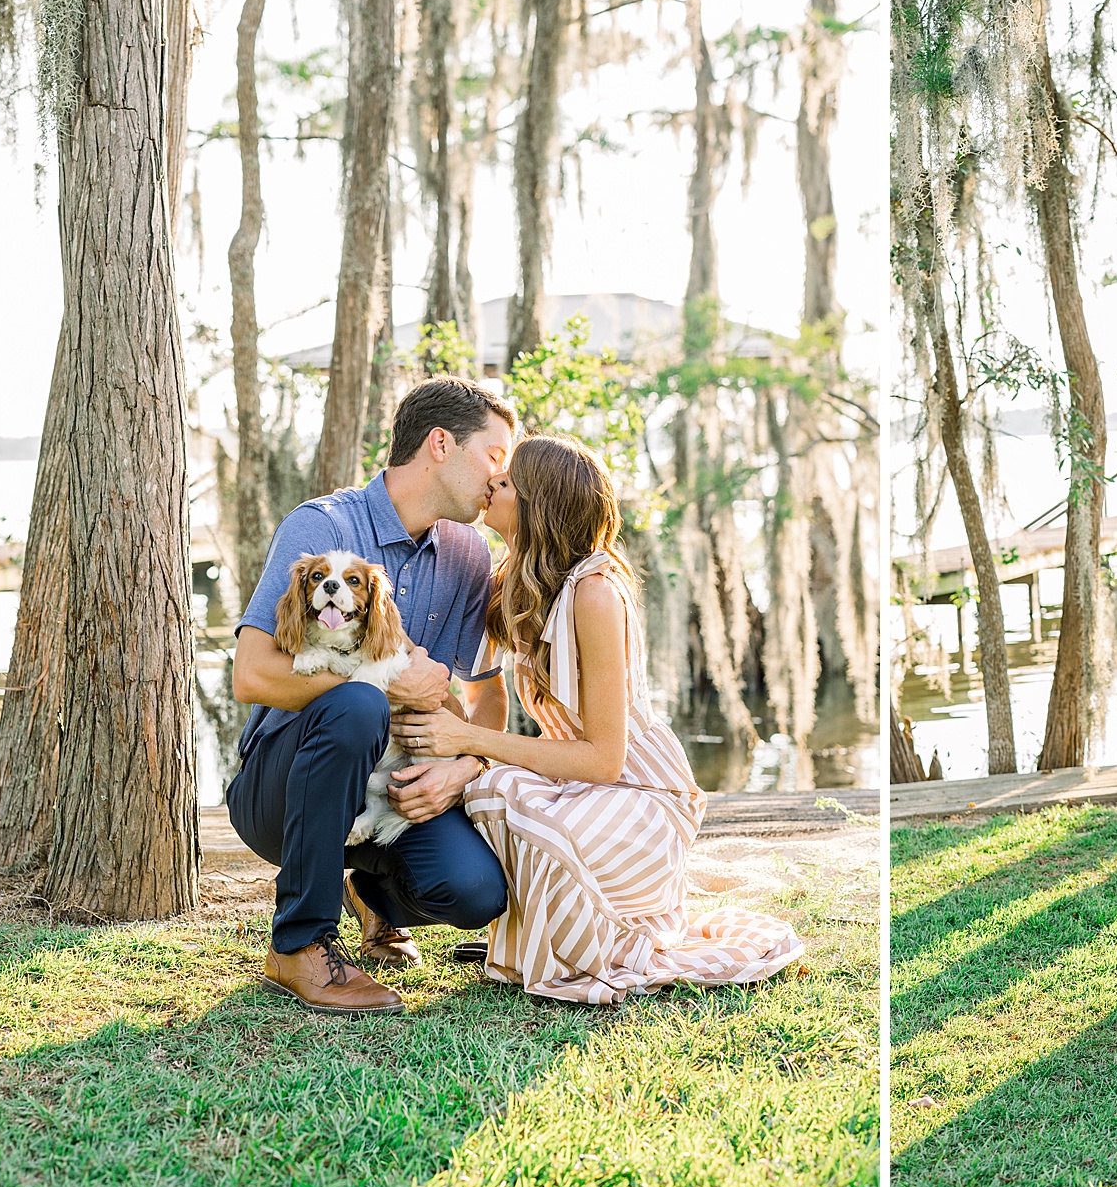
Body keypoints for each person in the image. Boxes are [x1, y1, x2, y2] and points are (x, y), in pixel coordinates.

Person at [391, 434, 805, 1003]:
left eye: (506, 482)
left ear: (540, 505)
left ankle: (557, 933)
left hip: (638, 793)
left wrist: (470, 740)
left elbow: (606, 760)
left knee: (506, 792)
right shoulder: (511, 584)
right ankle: (389, 899)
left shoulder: (594, 592)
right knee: (492, 788)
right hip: (573, 783)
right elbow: (475, 686)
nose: (491, 485)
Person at [229, 376, 518, 1016]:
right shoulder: (321, 526)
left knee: (475, 892)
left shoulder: (470, 553)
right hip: (284, 791)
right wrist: (383, 686)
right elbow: (251, 676)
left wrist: (466, 765)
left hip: (391, 795)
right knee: (359, 704)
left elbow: (485, 695)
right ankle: (300, 945)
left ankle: (371, 896)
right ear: (440, 444)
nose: (501, 478)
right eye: (494, 456)